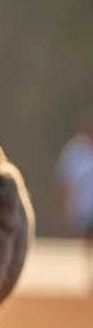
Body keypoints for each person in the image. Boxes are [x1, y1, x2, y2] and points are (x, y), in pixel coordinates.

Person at [56, 116, 93, 293]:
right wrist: (67, 206)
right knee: (89, 242)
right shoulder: (75, 151)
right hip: (85, 208)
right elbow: (67, 181)